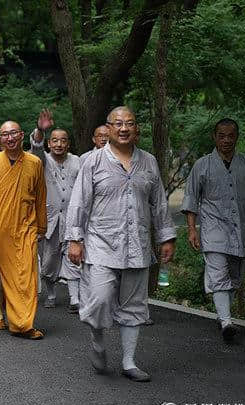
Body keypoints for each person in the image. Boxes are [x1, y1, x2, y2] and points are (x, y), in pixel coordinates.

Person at [66, 106, 176, 382]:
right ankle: (98, 340)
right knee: (100, 298)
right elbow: (79, 201)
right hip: (101, 242)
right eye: (118, 124)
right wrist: (74, 239)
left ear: (136, 128)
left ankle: (129, 362)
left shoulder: (149, 162)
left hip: (137, 243)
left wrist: (166, 236)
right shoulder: (92, 162)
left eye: (129, 123)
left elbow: (159, 202)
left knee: (134, 305)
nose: (124, 128)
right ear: (109, 128)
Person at [181, 118, 245, 343]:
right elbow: (191, 199)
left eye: (230, 136)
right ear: (214, 137)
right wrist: (191, 229)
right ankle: (226, 322)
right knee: (218, 274)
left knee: (235, 278)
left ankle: (222, 314)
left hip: (241, 231)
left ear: (237, 137)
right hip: (213, 229)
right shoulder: (202, 165)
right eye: (222, 136)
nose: (226, 140)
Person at [0, 121, 47, 339]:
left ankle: (22, 323)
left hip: (27, 227)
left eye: (13, 133)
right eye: (4, 134)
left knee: (27, 275)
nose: (9, 137)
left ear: (22, 135)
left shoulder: (34, 162)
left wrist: (41, 226)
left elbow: (41, 197)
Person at [30, 109, 82, 313]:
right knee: (49, 260)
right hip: (49, 219)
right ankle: (51, 293)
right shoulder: (41, 161)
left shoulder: (78, 161)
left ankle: (75, 298)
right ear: (50, 143)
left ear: (68, 144)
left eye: (63, 141)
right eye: (55, 140)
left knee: (73, 257)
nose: (59, 144)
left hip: (72, 218)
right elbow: (35, 148)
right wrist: (40, 132)